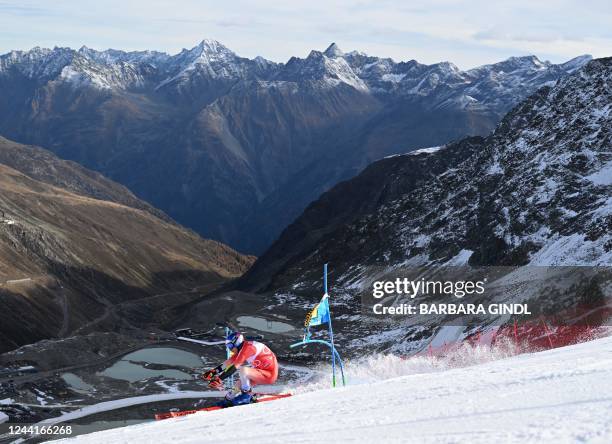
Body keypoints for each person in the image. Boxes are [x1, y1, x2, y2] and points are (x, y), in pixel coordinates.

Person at [201, 331, 278, 406]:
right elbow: (228, 362)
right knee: (238, 384)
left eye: (230, 346)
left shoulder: (248, 348)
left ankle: (246, 395)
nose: (230, 349)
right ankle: (228, 399)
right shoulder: (242, 349)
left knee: (243, 370)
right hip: (261, 372)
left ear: (237, 342)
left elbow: (234, 367)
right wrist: (213, 372)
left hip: (269, 374)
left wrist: (219, 379)